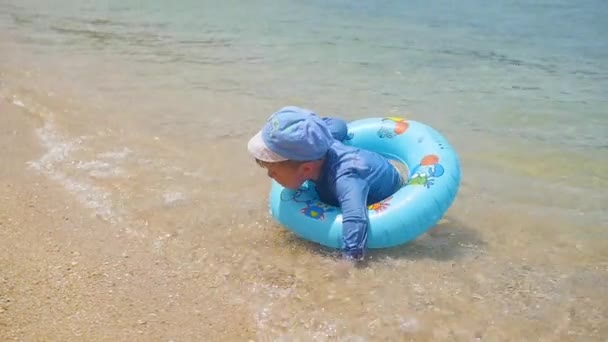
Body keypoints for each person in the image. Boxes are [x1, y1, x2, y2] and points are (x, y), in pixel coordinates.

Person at [247, 106, 404, 262]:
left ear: (307, 168)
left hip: (384, 191)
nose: (269, 175)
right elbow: (339, 125)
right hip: (362, 169)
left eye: (273, 171)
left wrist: (350, 261)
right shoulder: (323, 141)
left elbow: (355, 217)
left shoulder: (345, 179)